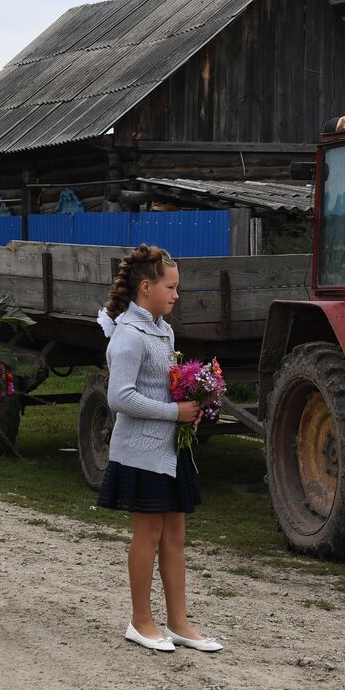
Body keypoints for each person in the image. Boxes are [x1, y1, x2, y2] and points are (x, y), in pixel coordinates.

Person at [96, 244, 221, 653]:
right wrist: (174, 411)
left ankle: (180, 622)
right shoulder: (129, 335)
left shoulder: (162, 329)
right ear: (146, 287)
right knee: (146, 537)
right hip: (140, 453)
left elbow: (166, 383)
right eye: (171, 286)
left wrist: (193, 405)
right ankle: (140, 621)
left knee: (175, 538)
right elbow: (119, 397)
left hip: (170, 451)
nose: (176, 294)